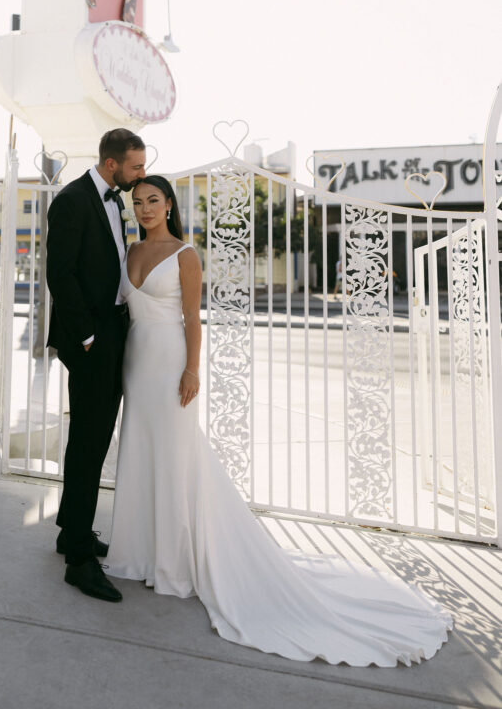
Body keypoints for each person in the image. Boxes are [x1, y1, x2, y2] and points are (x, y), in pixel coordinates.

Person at [105, 175, 453, 665]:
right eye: (138, 202)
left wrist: (191, 369)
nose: (144, 208)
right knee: (141, 453)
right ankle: (138, 553)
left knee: (176, 458)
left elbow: (191, 319)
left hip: (169, 364)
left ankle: (174, 564)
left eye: (153, 201)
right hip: (136, 364)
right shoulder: (131, 252)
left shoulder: (184, 254)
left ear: (168, 206)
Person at [46, 128, 145, 602]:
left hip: (111, 333)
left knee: (93, 438)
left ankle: (72, 532)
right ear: (112, 165)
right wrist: (86, 336)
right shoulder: (71, 200)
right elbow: (59, 274)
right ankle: (80, 564)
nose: (140, 175)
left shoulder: (112, 199)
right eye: (136, 167)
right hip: (90, 340)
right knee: (89, 443)